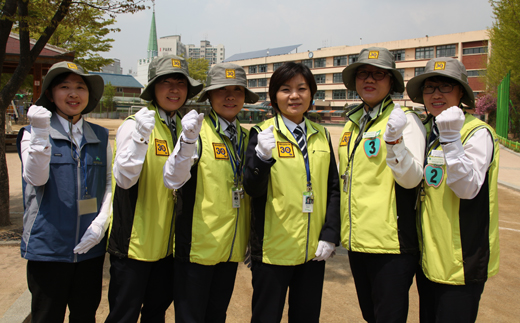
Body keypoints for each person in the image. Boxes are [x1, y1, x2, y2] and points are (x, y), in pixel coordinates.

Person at [105, 55, 202, 323]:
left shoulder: (186, 128)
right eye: (166, 83)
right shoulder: (135, 124)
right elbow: (124, 179)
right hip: (135, 244)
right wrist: (139, 138)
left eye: (180, 83)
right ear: (153, 89)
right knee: (123, 315)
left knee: (156, 313)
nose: (174, 90)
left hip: (167, 246)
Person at [243, 62, 340, 323]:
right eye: (285, 89)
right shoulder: (261, 133)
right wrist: (262, 158)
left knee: (307, 317)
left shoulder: (321, 134)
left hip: (312, 251)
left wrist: (330, 234)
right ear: (274, 96)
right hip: (273, 250)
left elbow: (333, 188)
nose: (294, 96)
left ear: (311, 94)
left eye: (301, 88)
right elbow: (251, 188)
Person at [162, 62, 258, 323]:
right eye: (222, 90)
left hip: (230, 248)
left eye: (237, 90)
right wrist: (187, 142)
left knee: (217, 315)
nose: (230, 97)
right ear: (209, 96)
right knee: (190, 317)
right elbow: (172, 178)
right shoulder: (195, 132)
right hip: (197, 249)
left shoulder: (247, 137)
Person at [406, 57, 499, 323]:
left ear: (461, 93)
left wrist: (452, 141)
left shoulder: (476, 132)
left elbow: (468, 188)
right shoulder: (426, 130)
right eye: (429, 87)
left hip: (461, 260)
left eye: (445, 87)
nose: (436, 94)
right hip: (430, 258)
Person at [16, 61, 109, 323]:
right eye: (64, 86)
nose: (73, 93)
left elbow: (109, 185)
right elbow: (35, 177)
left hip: (89, 249)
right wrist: (40, 135)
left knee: (85, 315)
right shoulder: (31, 133)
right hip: (48, 249)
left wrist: (101, 224)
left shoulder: (100, 136)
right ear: (50, 94)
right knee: (46, 316)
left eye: (80, 87)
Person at [338, 47, 426, 322]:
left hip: (390, 246)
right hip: (358, 242)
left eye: (379, 74)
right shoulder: (352, 124)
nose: (370, 80)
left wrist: (394, 141)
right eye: (363, 73)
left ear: (391, 82)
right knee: (370, 315)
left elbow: (412, 180)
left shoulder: (405, 121)